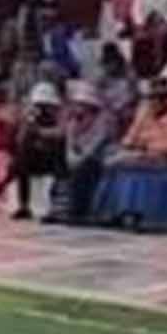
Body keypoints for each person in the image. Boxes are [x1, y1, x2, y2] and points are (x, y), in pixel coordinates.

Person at [96, 76, 167, 232]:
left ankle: (149, 217)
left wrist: (149, 146)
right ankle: (115, 212)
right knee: (114, 163)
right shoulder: (145, 112)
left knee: (141, 167)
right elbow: (130, 137)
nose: (153, 102)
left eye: (158, 98)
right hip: (144, 154)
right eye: (151, 98)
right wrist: (131, 146)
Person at [51, 79, 116, 225]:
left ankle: (79, 211)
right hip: (76, 160)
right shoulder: (72, 124)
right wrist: (73, 159)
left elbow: (92, 150)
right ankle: (57, 208)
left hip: (99, 161)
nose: (79, 108)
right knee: (59, 164)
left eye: (83, 105)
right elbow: (69, 149)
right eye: (78, 104)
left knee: (85, 168)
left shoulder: (103, 125)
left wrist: (78, 160)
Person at [9, 82, 65, 220]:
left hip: (56, 159)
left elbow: (61, 134)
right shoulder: (31, 120)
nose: (43, 109)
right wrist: (28, 123)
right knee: (21, 161)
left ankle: (54, 208)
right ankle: (23, 205)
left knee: (58, 164)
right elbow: (20, 139)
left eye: (45, 105)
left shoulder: (60, 118)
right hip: (35, 158)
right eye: (39, 105)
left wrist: (40, 132)